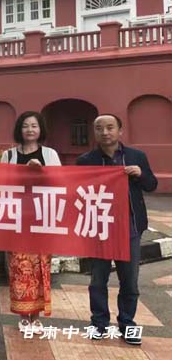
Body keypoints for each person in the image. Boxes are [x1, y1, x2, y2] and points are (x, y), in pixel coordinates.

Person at [77, 114, 157, 346]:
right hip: (99, 228)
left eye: (110, 127)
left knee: (129, 281)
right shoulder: (86, 160)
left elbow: (151, 185)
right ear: (94, 132)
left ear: (120, 130)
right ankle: (99, 324)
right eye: (99, 128)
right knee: (98, 280)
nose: (105, 132)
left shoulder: (136, 156)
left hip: (129, 228)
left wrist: (140, 174)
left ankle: (127, 324)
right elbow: (76, 190)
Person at [1, 111, 61, 333]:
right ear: (19, 129)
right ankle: (23, 315)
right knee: (19, 268)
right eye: (25, 126)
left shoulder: (50, 154)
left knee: (41, 268)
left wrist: (41, 172)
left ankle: (36, 316)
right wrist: (23, 173)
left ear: (40, 129)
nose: (30, 130)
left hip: (42, 219)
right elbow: (1, 184)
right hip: (17, 220)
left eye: (34, 126)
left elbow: (60, 183)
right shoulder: (8, 155)